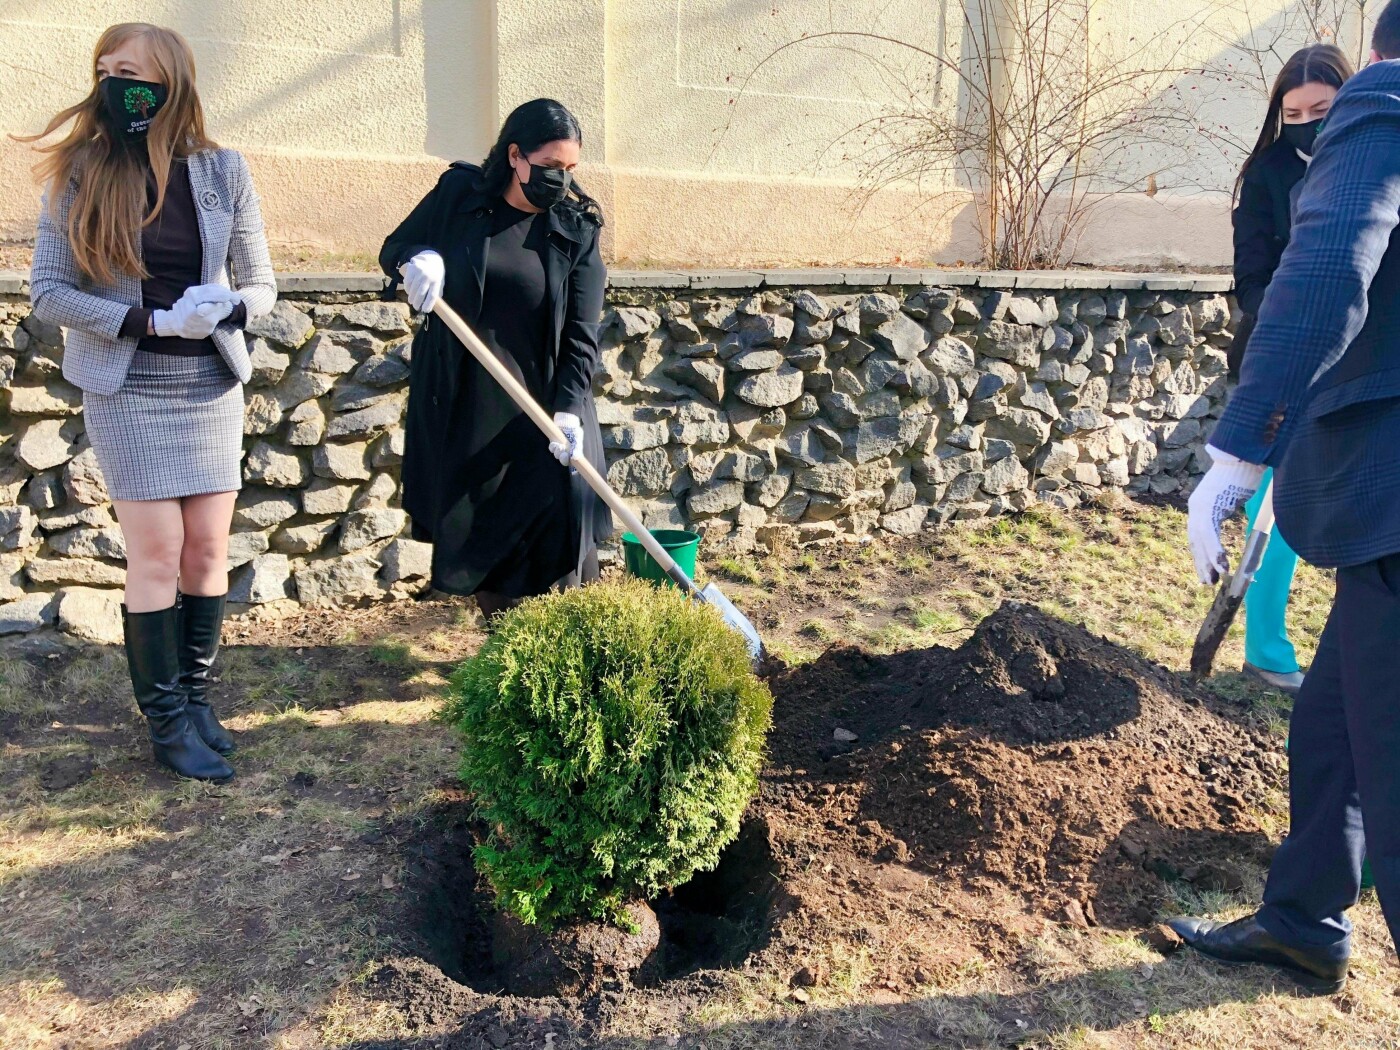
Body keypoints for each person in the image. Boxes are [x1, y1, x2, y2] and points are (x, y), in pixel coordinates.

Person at [1178, 6, 1400, 993]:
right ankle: (1303, 917)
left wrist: (1237, 450)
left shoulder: (1385, 98)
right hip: (1370, 510)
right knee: (1329, 723)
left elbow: (1321, 270)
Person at [23, 24, 275, 783]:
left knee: (206, 552)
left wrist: (226, 307)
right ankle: (166, 722)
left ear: (169, 79)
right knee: (159, 553)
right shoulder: (81, 173)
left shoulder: (222, 170)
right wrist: (148, 320)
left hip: (210, 385)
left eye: (127, 70)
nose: (111, 83)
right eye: (102, 70)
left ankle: (196, 702)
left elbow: (261, 282)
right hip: (129, 388)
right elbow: (47, 291)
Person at [379, 98, 611, 620]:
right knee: (488, 545)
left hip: (546, 408)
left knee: (561, 550)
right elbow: (396, 246)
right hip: (470, 406)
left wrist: (570, 409)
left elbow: (582, 332)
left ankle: (564, 659)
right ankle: (507, 655)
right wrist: (417, 260)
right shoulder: (460, 197)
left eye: (570, 169)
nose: (562, 181)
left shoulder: (577, 228)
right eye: (551, 167)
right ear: (515, 155)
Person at [1230, 45, 1354, 697]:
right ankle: (1266, 647)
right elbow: (1248, 277)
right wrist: (1291, 316)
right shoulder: (1268, 174)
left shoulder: (1377, 165)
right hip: (1285, 358)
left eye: (1322, 110)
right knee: (1275, 502)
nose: (1306, 122)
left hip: (1366, 359)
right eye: (1293, 112)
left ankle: (1357, 654)